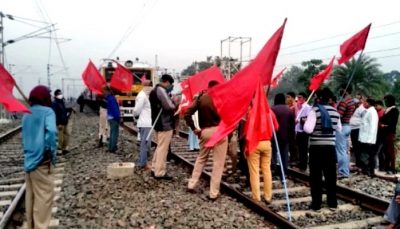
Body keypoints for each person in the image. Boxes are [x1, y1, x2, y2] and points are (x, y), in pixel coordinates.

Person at [184, 80, 228, 200]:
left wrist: (194, 128)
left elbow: (187, 113)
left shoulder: (200, 98)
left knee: (201, 158)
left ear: (208, 87)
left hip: (205, 131)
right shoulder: (222, 98)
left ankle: (191, 184)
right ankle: (213, 193)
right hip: (220, 132)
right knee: (218, 164)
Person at [22, 85, 57, 229]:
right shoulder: (48, 112)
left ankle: (31, 225)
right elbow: (52, 133)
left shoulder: (26, 114)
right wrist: (51, 152)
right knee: (44, 198)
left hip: (29, 161)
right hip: (42, 160)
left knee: (31, 197)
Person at [303, 88, 342, 211]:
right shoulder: (335, 112)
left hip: (316, 148)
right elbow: (339, 128)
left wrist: (303, 122)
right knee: (331, 176)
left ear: (318, 98)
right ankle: (332, 203)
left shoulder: (315, 111)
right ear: (329, 99)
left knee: (316, 177)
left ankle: (317, 204)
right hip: (330, 148)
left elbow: (308, 129)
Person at [149, 74, 176, 179]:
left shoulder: (154, 90)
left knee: (159, 147)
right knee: (163, 149)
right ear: (167, 82)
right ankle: (159, 172)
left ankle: (154, 168)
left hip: (157, 123)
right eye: (170, 84)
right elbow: (169, 106)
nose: (170, 86)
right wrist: (174, 104)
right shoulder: (161, 90)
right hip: (164, 124)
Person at [271, 93, 295, 178]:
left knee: (273, 154)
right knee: (284, 155)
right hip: (286, 136)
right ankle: (283, 172)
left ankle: (273, 169)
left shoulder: (272, 109)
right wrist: (292, 137)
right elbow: (292, 125)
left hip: (274, 135)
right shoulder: (289, 110)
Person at [335, 85, 356, 179]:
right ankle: (345, 170)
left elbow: (338, 115)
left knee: (341, 150)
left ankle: (343, 172)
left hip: (342, 127)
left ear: (345, 90)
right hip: (348, 126)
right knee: (345, 150)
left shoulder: (344, 102)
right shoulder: (352, 101)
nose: (340, 91)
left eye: (342, 89)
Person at [133, 80, 153, 170]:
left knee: (145, 143)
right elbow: (137, 110)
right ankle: (142, 163)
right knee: (144, 143)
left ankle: (143, 161)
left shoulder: (146, 95)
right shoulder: (142, 95)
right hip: (145, 123)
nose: (150, 87)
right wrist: (135, 116)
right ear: (144, 86)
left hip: (147, 123)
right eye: (149, 85)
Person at [358, 98, 379, 177]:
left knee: (370, 155)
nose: (364, 104)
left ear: (369, 103)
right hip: (365, 138)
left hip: (368, 139)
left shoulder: (372, 112)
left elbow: (373, 126)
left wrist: (370, 140)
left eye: (365, 102)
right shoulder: (369, 111)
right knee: (366, 155)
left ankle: (371, 171)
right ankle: (366, 170)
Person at [381, 94, 399, 174]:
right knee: (386, 151)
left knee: (391, 151)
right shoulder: (387, 109)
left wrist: (384, 125)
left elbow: (391, 122)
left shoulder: (394, 110)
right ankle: (387, 167)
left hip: (390, 132)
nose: (385, 102)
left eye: (386, 100)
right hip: (385, 132)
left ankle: (392, 169)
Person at [52, 89, 72, 154]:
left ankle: (65, 148)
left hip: (65, 121)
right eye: (58, 94)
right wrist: (58, 123)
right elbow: (55, 114)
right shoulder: (55, 103)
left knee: (67, 134)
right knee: (60, 136)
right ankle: (59, 149)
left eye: (60, 93)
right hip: (60, 122)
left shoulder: (61, 102)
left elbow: (64, 110)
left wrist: (69, 109)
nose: (60, 95)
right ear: (55, 95)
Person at [295, 92, 312, 171]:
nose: (298, 99)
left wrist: (298, 120)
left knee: (303, 149)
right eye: (298, 98)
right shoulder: (300, 108)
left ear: (304, 98)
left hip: (303, 131)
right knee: (299, 148)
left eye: (300, 98)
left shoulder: (307, 107)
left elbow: (307, 119)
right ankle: (300, 163)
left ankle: (303, 165)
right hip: (298, 131)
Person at [349, 100, 366, 171]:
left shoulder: (362, 109)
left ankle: (360, 164)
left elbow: (364, 119)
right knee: (355, 147)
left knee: (358, 147)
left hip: (358, 129)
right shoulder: (354, 109)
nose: (354, 105)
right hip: (353, 129)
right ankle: (357, 163)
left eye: (355, 103)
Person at [103, 86, 120, 153]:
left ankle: (110, 147)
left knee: (112, 132)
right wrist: (118, 118)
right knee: (114, 133)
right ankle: (113, 148)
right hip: (113, 118)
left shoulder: (108, 98)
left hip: (110, 117)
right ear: (109, 91)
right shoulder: (112, 98)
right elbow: (115, 109)